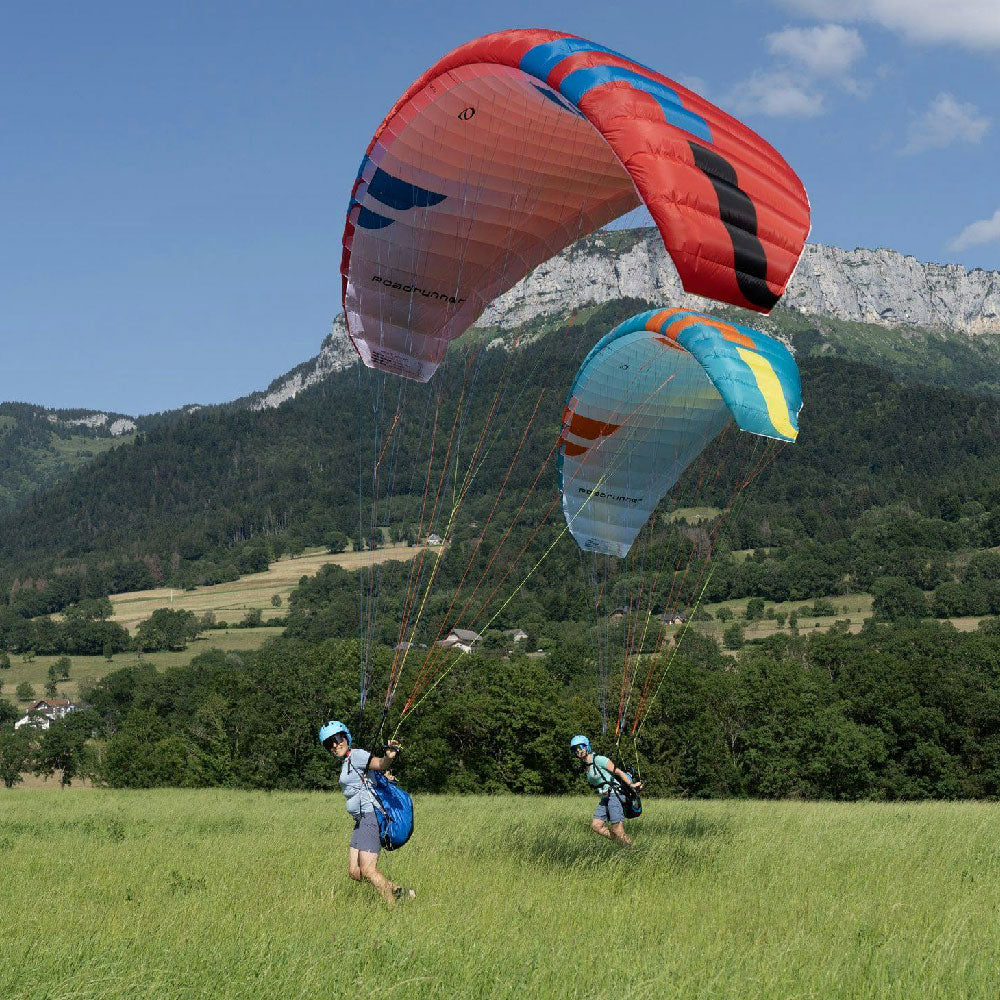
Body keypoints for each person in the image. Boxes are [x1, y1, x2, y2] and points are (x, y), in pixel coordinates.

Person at [319, 720, 415, 904]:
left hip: (369, 817)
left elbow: (380, 764)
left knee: (369, 870)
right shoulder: (347, 762)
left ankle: (393, 912)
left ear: (346, 738)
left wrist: (390, 756)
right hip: (360, 820)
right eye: (328, 743)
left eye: (337, 739)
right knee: (355, 872)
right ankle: (401, 893)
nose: (334, 745)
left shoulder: (356, 755)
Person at [570, 734, 641, 846]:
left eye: (580, 746)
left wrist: (631, 785)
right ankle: (622, 844)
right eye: (575, 749)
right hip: (606, 797)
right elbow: (601, 785)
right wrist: (602, 792)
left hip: (615, 794)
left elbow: (618, 772)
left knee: (617, 829)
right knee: (596, 826)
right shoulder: (587, 766)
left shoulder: (599, 760)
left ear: (587, 746)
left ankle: (631, 849)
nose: (578, 750)